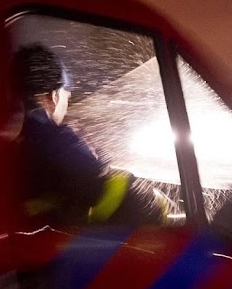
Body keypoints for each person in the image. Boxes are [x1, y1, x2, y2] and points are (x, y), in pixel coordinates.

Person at [13, 44, 162, 225]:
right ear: (52, 98)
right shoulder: (58, 143)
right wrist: (157, 203)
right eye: (66, 98)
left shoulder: (12, 141)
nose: (66, 106)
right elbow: (108, 192)